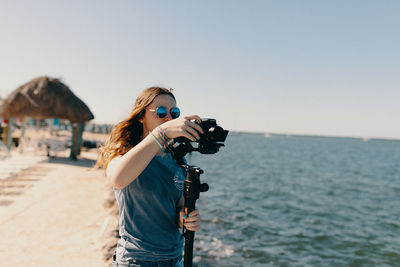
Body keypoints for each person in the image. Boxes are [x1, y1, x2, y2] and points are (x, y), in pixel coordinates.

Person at [96, 87, 204, 267]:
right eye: (161, 112)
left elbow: (178, 205)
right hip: (137, 259)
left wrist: (185, 218)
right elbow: (118, 178)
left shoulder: (177, 157)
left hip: (174, 258)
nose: (168, 118)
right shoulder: (124, 152)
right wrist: (161, 133)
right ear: (141, 116)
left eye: (174, 112)